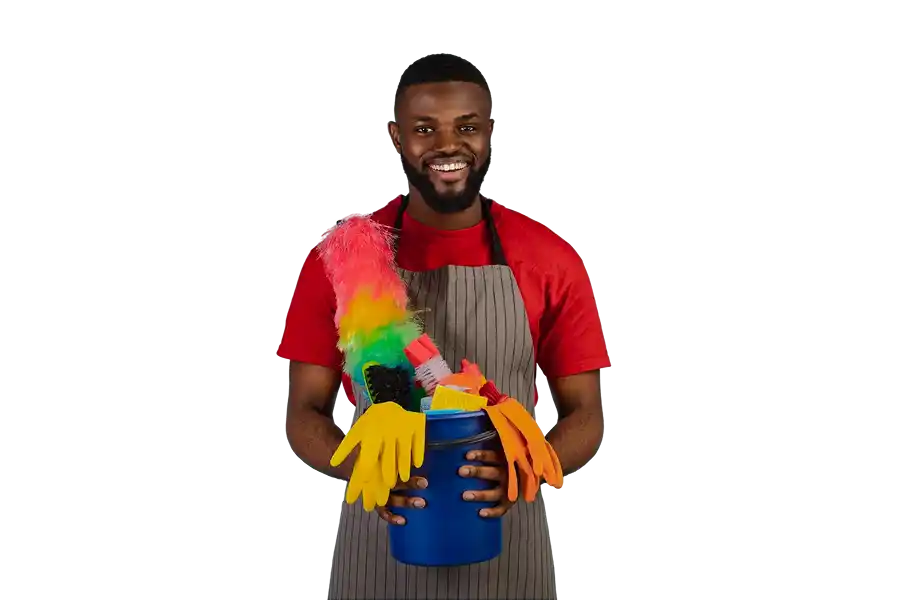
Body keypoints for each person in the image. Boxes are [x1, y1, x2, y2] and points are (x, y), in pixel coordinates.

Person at [277, 51, 611, 600]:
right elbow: (304, 413)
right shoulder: (341, 260)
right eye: (425, 128)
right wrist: (369, 465)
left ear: (490, 134)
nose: (448, 145)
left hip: (510, 549)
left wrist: (522, 465)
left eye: (468, 127)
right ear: (396, 137)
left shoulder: (549, 257)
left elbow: (587, 414)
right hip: (380, 552)